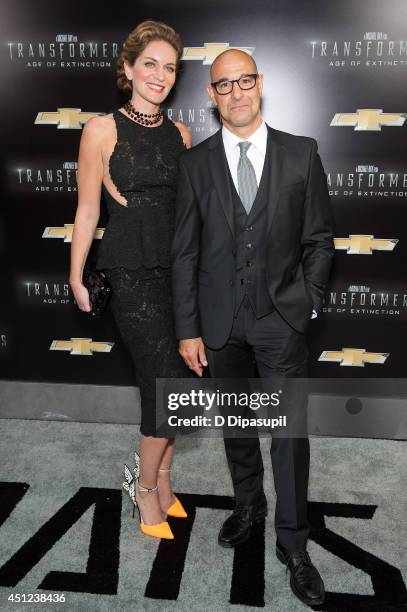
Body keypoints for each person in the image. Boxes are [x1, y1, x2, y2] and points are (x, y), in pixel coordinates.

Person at [172, 49, 334, 605]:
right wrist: (188, 329)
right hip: (219, 322)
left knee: (288, 435)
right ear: (212, 95)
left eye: (245, 81)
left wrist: (307, 303)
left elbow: (318, 239)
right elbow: (185, 254)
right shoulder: (195, 165)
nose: (236, 92)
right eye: (224, 84)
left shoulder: (301, 153)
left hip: (280, 319)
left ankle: (293, 542)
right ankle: (249, 504)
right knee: (236, 423)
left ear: (260, 84)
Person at [69, 20, 192, 541]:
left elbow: (190, 213)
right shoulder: (101, 130)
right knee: (161, 383)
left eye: (169, 68)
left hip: (178, 270)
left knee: (182, 383)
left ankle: (163, 478)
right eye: (150, 64)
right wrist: (76, 274)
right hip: (130, 270)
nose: (160, 76)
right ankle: (143, 488)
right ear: (128, 68)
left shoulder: (183, 133)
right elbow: (87, 209)